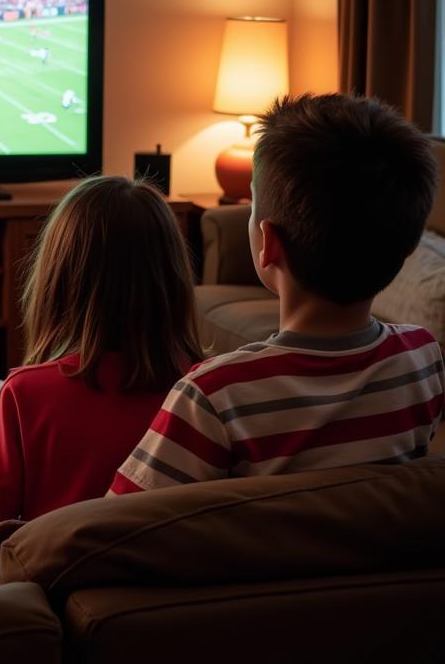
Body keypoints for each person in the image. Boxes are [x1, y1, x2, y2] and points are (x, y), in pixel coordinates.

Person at [110, 93, 444, 496]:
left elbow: (117, 526)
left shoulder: (215, 394)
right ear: (406, 249)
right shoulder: (423, 360)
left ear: (268, 243)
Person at [0, 176, 201, 527]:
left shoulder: (24, 394)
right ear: (174, 276)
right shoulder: (207, 388)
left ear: (56, 277)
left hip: (49, 578)